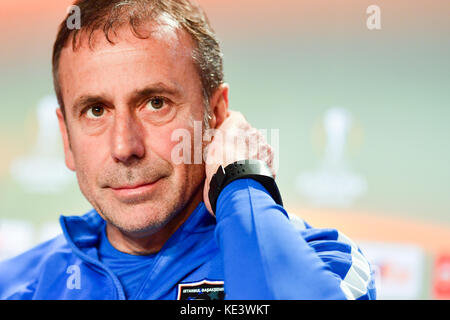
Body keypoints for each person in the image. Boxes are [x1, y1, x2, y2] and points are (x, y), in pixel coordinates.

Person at [0, 0, 376, 300]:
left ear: (216, 116)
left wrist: (240, 183)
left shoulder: (328, 263)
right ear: (66, 139)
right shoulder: (18, 286)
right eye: (96, 111)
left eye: (155, 103)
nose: (124, 147)